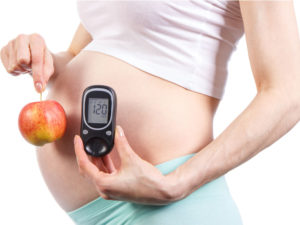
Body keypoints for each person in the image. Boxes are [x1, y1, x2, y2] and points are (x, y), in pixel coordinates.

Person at [1, 0, 300, 224]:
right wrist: (40, 57)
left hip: (172, 203)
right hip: (93, 213)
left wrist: (176, 184)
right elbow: (84, 54)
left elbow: (288, 92)